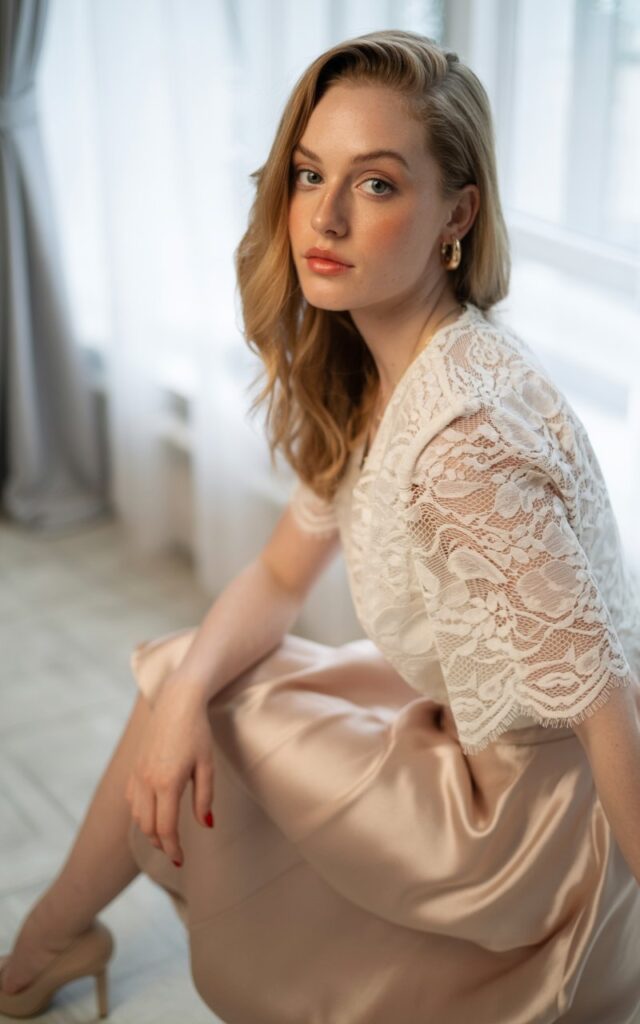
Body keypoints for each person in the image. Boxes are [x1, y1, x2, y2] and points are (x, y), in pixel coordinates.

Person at [2, 27, 640, 1024]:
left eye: (377, 184)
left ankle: (41, 946)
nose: (325, 217)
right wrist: (180, 700)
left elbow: (612, 709)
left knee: (197, 685)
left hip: (530, 828)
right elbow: (276, 574)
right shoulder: (390, 368)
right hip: (479, 734)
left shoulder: (463, 443)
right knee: (191, 681)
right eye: (309, 173)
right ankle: (51, 936)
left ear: (455, 216)